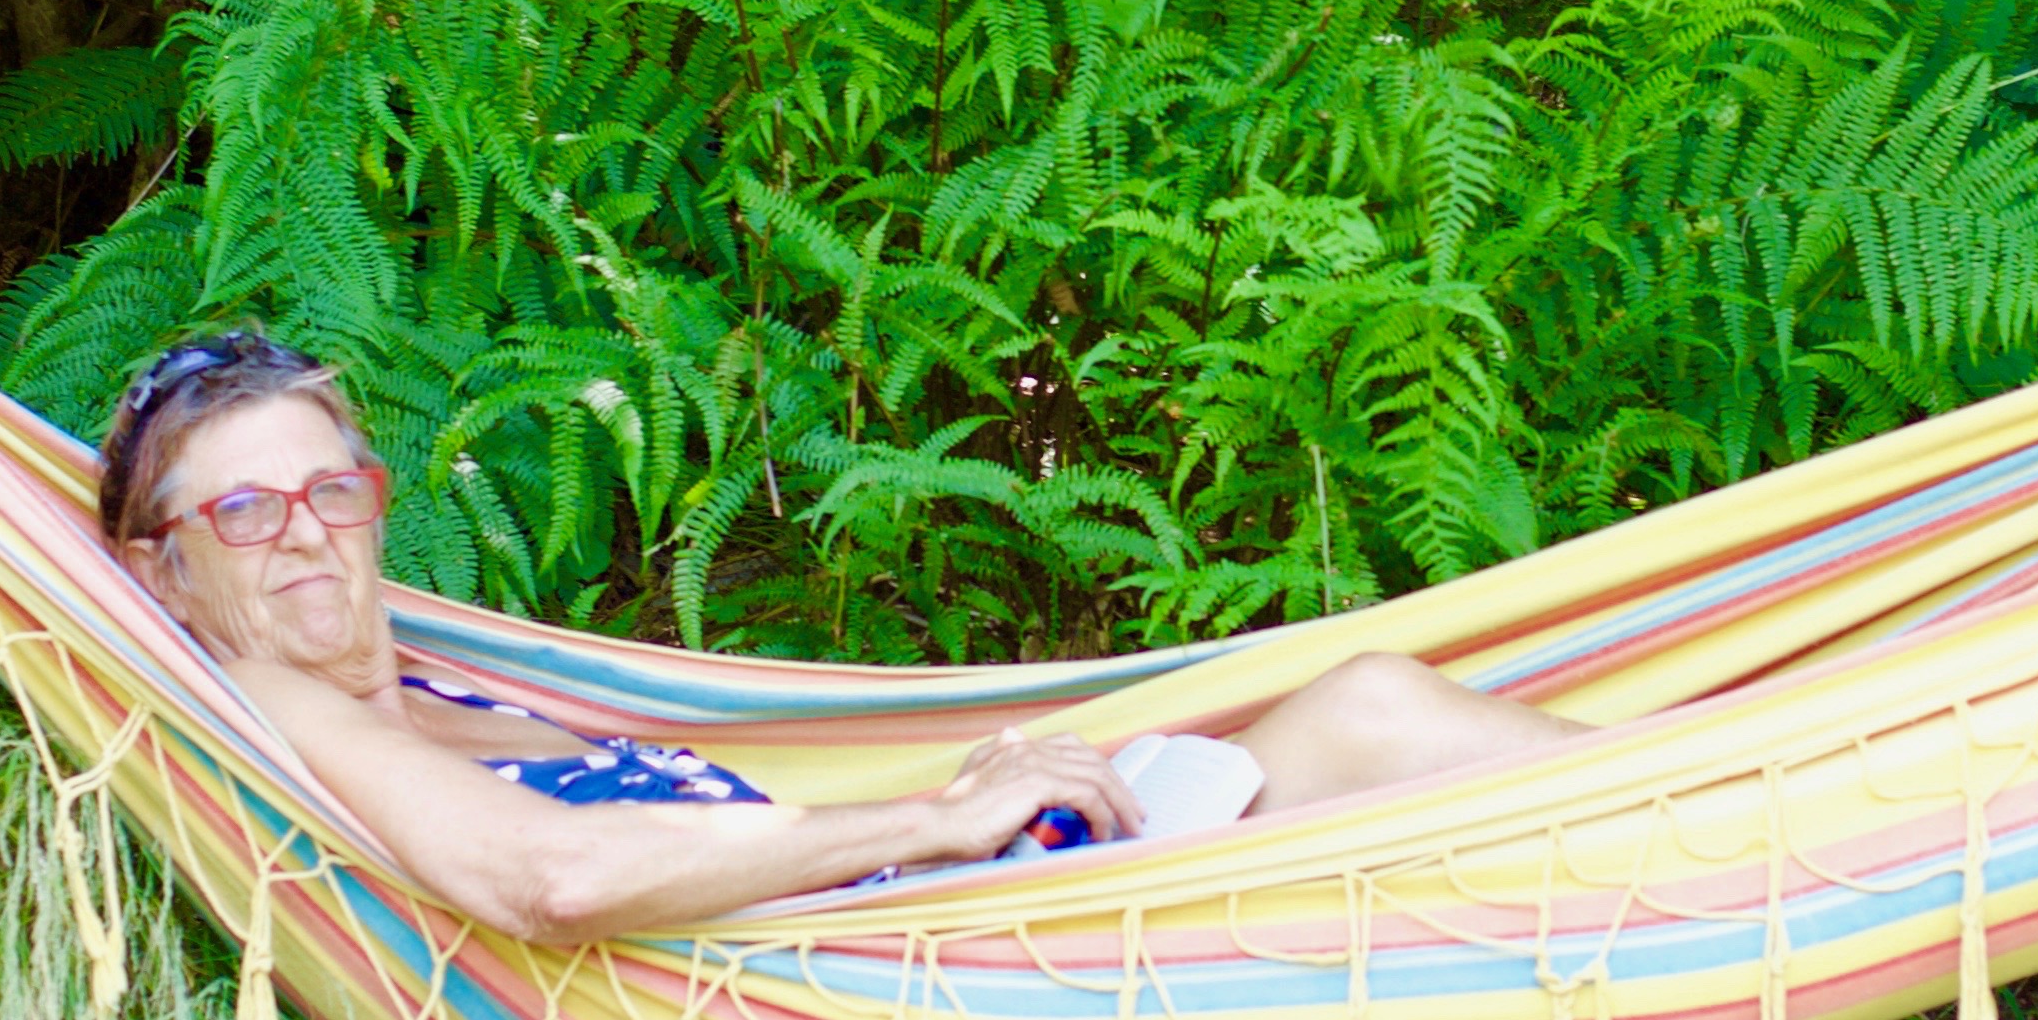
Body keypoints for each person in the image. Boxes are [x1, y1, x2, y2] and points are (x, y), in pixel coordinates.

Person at [98, 331, 1585, 939]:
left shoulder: (436, 685)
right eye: (240, 512)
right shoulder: (284, 710)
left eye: (328, 488)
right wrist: (939, 823)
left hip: (967, 913)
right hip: (942, 986)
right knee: (1379, 720)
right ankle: (1790, 823)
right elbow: (546, 876)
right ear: (165, 573)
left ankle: (1783, 798)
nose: (300, 530)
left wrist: (978, 798)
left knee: (1361, 715)